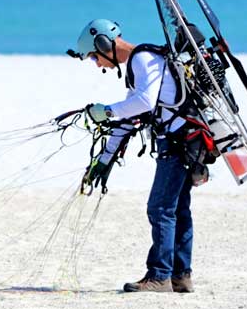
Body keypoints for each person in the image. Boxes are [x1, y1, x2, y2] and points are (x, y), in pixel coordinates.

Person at [59, 18, 197, 294]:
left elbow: (143, 103)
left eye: (95, 57)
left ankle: (160, 276)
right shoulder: (142, 65)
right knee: (176, 209)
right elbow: (129, 119)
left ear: (103, 44)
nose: (98, 64)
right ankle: (180, 275)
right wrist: (103, 160)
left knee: (160, 209)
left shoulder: (142, 60)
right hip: (186, 141)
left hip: (178, 142)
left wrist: (106, 110)